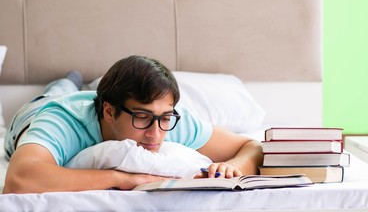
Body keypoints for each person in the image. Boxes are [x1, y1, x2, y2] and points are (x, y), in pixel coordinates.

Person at [3, 55, 263, 194]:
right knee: (56, 92)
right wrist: (120, 178)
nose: (155, 134)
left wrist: (232, 167)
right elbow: (20, 180)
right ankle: (66, 81)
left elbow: (252, 146)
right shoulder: (60, 122)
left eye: (164, 118)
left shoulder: (166, 118)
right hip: (37, 110)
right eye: (141, 117)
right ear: (109, 112)